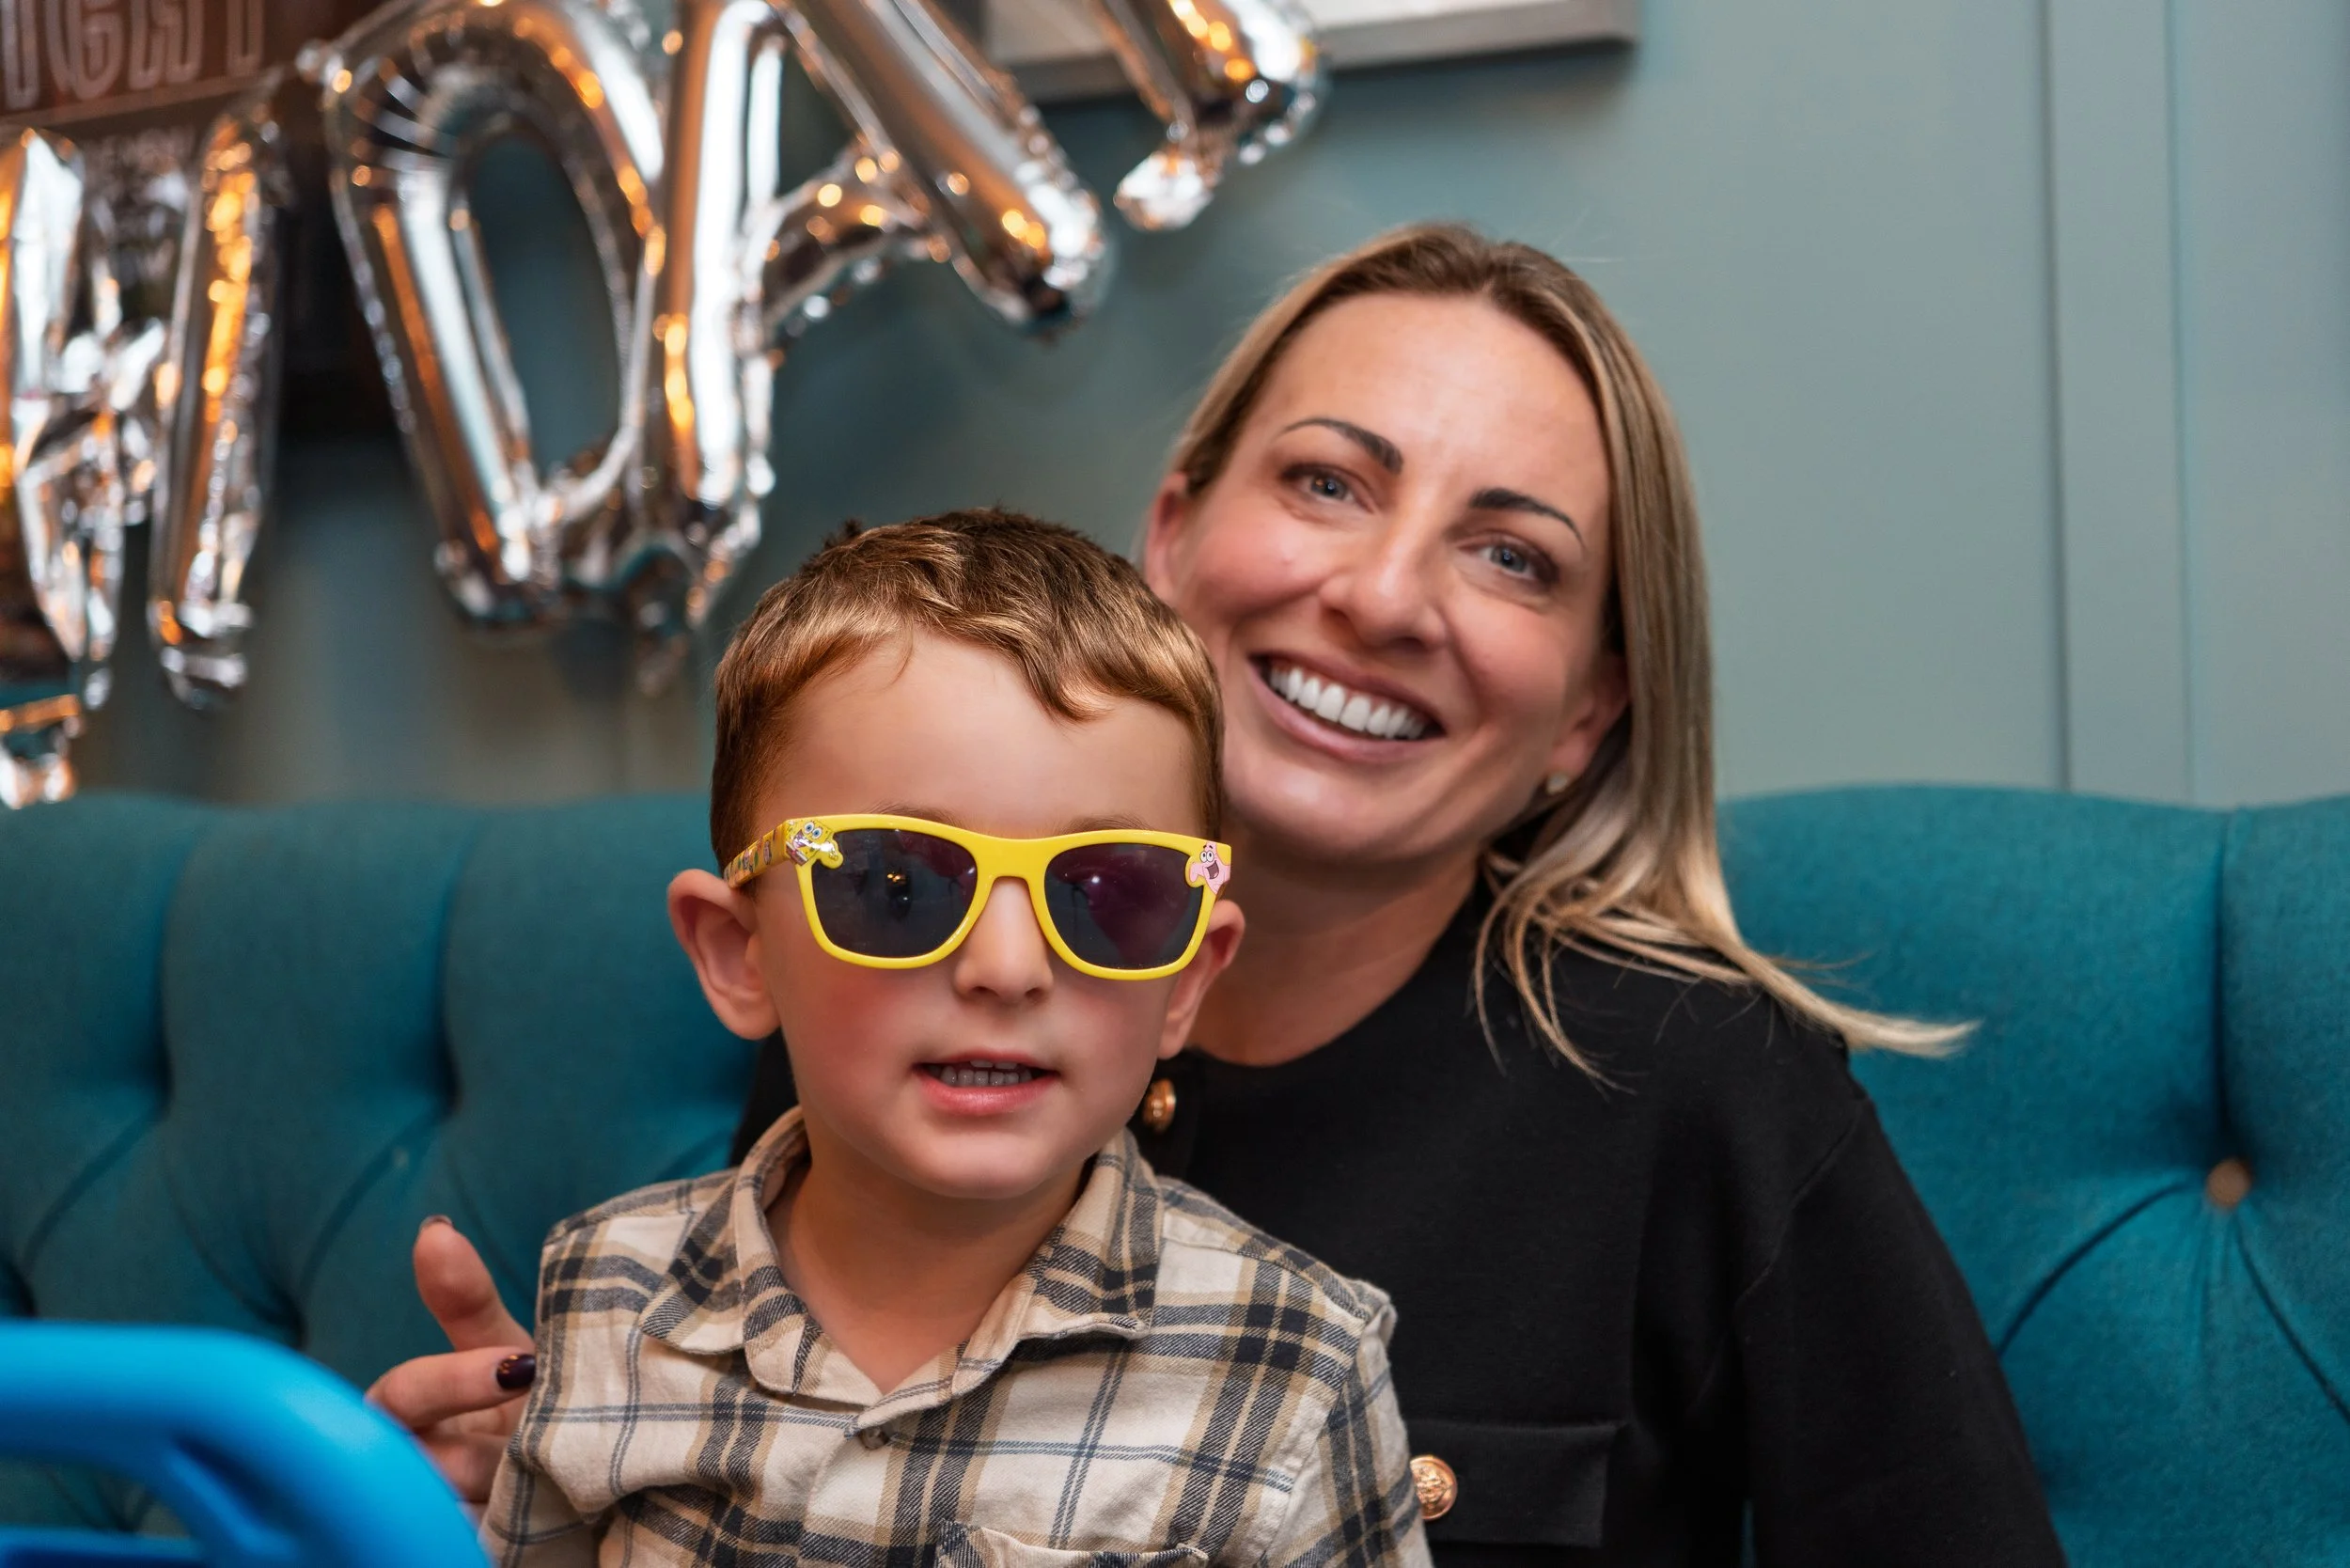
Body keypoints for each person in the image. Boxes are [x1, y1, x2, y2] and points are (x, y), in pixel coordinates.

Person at [375, 226, 2067, 1566]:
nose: (1384, 595)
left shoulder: (1707, 1086)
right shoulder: (878, 942)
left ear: (1587, 714)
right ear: (1172, 543)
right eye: (1330, 480)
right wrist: (537, 1476)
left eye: (1512, 554)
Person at [479, 513, 1432, 1566]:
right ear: (739, 953)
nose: (1008, 968)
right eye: (898, 885)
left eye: (1106, 894)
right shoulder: (603, 1291)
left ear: (1186, 981)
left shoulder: (1297, 1370)